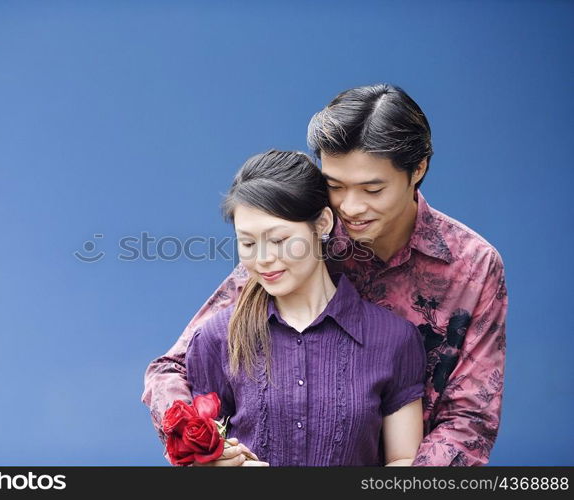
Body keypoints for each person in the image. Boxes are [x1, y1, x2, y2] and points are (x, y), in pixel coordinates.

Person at [143, 84, 508, 466]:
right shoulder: (299, 240)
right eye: (334, 186)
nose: (351, 207)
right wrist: (204, 450)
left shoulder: (474, 266)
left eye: (372, 188)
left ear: (417, 170)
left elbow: (470, 419)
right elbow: (176, 367)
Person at [184, 150, 426, 466]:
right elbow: (197, 458)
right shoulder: (216, 339)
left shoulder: (393, 338)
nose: (263, 258)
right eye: (247, 243)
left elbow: (405, 459)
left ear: (322, 223)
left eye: (279, 239)